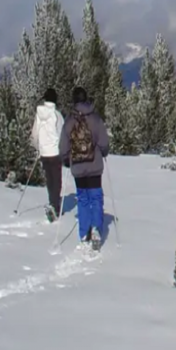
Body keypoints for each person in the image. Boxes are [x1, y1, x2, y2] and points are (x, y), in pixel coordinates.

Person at [59, 86, 110, 249]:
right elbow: (104, 142)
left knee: (82, 198)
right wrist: (103, 151)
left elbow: (63, 147)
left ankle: (84, 232)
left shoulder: (69, 121)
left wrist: (66, 160)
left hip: (78, 167)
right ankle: (96, 228)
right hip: (95, 165)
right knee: (96, 197)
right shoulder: (95, 118)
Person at [30, 88, 64, 223]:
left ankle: (52, 202)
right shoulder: (57, 115)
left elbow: (34, 133)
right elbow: (62, 134)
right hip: (55, 152)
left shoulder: (39, 114)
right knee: (57, 180)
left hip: (44, 152)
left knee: (49, 179)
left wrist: (38, 147)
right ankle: (55, 205)